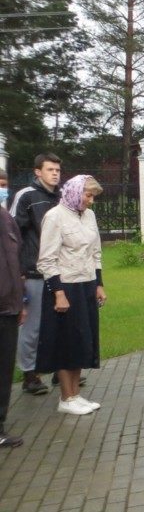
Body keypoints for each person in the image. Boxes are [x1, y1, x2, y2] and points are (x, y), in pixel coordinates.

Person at [35, 175, 106, 415]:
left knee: (83, 341)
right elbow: (46, 259)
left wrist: (99, 284)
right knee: (66, 342)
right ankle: (66, 397)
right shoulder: (55, 217)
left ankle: (75, 394)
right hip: (65, 287)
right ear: (75, 193)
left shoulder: (89, 215)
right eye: (88, 195)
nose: (91, 201)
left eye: (93, 196)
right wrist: (58, 293)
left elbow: (95, 252)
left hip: (86, 285)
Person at [12, 153, 62, 396]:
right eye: (50, 169)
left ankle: (57, 370)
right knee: (33, 326)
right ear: (37, 172)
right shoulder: (27, 196)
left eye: (57, 170)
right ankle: (30, 374)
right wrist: (19, 272)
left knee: (58, 323)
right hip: (34, 272)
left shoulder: (61, 197)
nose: (55, 174)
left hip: (60, 272)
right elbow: (13, 236)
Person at [0, 170, 26, 446]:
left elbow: (14, 260)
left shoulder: (7, 219)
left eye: (4, 186)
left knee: (4, 368)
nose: (2, 191)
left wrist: (20, 301)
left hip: (8, 305)